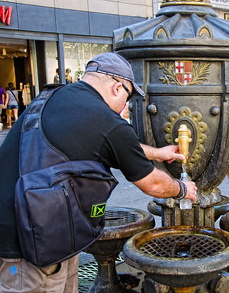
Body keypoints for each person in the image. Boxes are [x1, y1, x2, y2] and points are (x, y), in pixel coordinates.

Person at [0, 52, 198, 292]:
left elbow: (107, 144)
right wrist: (183, 189)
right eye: (128, 97)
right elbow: (153, 185)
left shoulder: (53, 97)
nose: (126, 106)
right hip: (28, 245)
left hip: (39, 229)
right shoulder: (108, 121)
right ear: (117, 87)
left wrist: (157, 153)